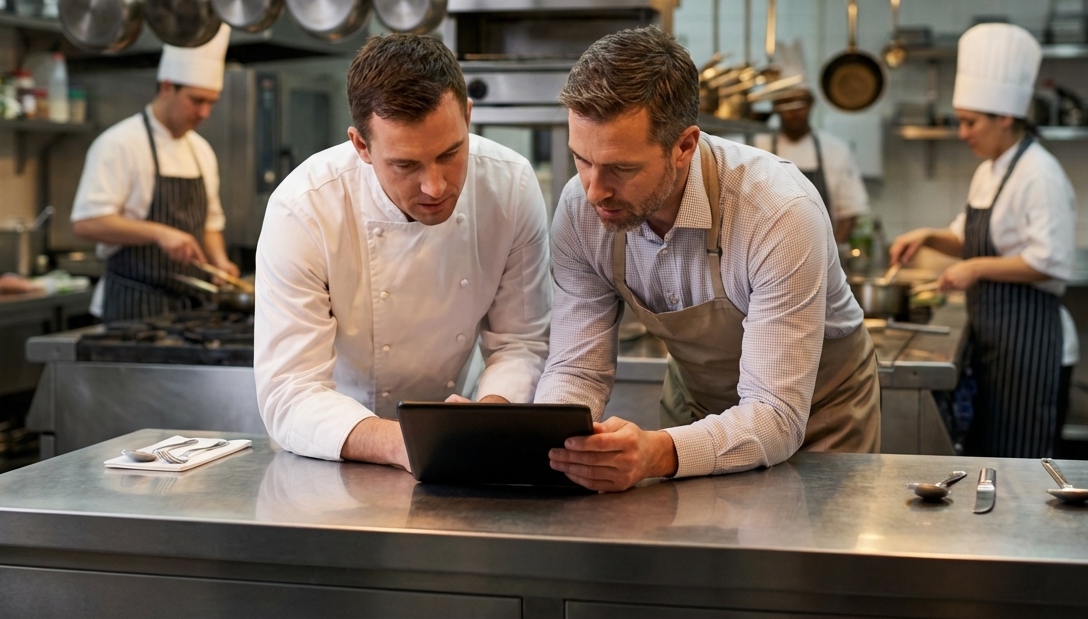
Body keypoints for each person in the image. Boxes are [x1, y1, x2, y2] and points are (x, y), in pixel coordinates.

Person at [535, 26, 880, 493]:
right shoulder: (581, 211)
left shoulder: (778, 211)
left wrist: (658, 452)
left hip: (819, 417)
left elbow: (775, 414)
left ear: (684, 147)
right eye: (582, 160)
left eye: (622, 168)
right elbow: (577, 369)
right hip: (695, 409)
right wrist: (554, 446)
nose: (595, 190)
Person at [253, 34, 551, 468]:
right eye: (405, 165)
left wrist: (487, 415)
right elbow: (290, 390)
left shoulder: (510, 186)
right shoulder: (304, 209)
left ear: (468, 116)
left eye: (451, 153)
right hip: (335, 448)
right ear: (361, 146)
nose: (435, 186)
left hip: (461, 442)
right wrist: (406, 443)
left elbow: (521, 343)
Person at [890, 23, 1078, 458]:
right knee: (995, 456)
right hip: (996, 338)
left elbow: (1049, 260)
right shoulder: (989, 169)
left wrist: (974, 269)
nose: (963, 133)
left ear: (1005, 116)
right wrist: (927, 237)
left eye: (970, 122)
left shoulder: (1039, 174)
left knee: (1023, 462)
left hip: (1031, 344)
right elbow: (966, 237)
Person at [72, 26, 238, 321]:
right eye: (196, 100)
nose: (204, 113)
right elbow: (87, 223)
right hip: (132, 306)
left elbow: (211, 223)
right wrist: (159, 233)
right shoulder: (120, 143)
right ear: (166, 87)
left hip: (190, 309)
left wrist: (219, 262)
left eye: (211, 103)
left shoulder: (201, 150)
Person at [752, 87, 870, 243]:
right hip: (764, 251)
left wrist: (831, 253)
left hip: (820, 250)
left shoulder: (836, 150)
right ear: (775, 107)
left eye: (800, 103)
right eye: (787, 103)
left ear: (811, 105)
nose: (794, 111)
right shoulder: (756, 148)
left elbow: (849, 211)